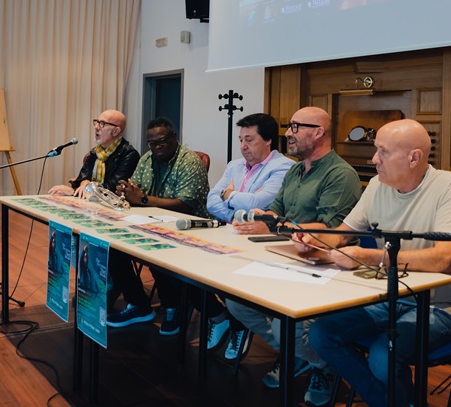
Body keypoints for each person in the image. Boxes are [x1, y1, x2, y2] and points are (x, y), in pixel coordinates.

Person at [306, 119, 451, 407]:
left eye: (382, 151)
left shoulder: (449, 185)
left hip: (442, 306)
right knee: (322, 333)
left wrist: (368, 257)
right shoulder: (378, 186)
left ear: (414, 157)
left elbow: (445, 259)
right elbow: (343, 232)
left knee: (384, 354)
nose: (373, 160)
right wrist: (310, 241)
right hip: (389, 296)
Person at [226, 106, 362, 406]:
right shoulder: (295, 170)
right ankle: (304, 356)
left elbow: (329, 231)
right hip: (283, 256)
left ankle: (322, 363)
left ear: (318, 132)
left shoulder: (340, 174)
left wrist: (277, 223)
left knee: (282, 324)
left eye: (296, 127)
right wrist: (265, 217)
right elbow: (276, 210)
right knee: (235, 300)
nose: (288, 133)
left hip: (321, 266)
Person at [106, 117, 210, 336]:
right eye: (151, 143)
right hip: (151, 222)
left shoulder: (190, 162)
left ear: (173, 137)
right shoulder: (147, 159)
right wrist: (125, 189)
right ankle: (138, 304)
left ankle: (174, 306)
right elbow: (135, 189)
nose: (156, 147)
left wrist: (142, 199)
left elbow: (185, 204)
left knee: (154, 249)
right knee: (112, 246)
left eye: (161, 141)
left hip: (190, 227)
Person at [204, 113, 292, 359]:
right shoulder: (234, 165)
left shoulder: (284, 167)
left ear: (268, 141)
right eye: (241, 139)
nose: (243, 146)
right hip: (228, 232)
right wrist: (237, 213)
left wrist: (229, 196)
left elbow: (260, 202)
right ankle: (221, 319)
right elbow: (212, 200)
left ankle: (240, 327)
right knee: (190, 274)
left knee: (233, 285)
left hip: (259, 242)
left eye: (250, 139)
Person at [48, 109, 140, 198]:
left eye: (102, 124)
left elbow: (112, 189)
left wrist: (80, 188)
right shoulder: (95, 152)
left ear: (115, 131)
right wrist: (84, 183)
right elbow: (80, 180)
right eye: (97, 122)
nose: (96, 127)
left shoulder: (129, 155)